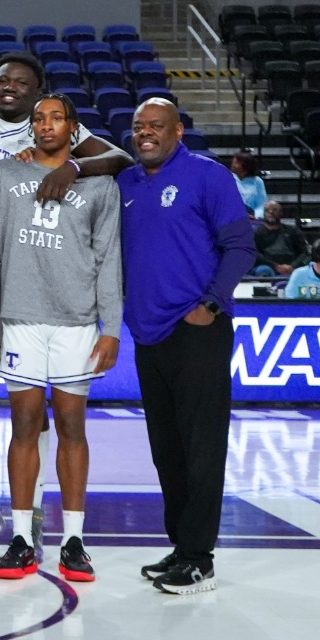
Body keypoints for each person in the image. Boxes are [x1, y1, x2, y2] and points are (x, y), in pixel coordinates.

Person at [0, 93, 122, 585]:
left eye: (57, 117)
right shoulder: (4, 176)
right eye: (39, 118)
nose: (46, 124)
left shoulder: (100, 186)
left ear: (73, 127)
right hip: (21, 320)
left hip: (77, 321)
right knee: (24, 425)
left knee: (73, 427)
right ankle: (21, 536)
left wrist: (110, 327)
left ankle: (74, 541)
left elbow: (107, 260)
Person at [118, 98, 256, 597]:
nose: (146, 134)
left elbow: (242, 245)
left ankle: (200, 558)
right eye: (138, 128)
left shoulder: (207, 175)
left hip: (197, 331)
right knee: (167, 450)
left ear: (178, 130)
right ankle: (182, 547)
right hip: (148, 334)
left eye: (156, 126)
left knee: (201, 448)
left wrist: (212, 305)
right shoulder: (128, 183)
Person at [250, 199, 309, 277]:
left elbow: (305, 252)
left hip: (291, 267)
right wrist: (275, 266)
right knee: (263, 271)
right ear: (264, 214)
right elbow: (255, 254)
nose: (271, 212)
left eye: (274, 210)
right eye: (267, 210)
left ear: (281, 213)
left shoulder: (293, 231)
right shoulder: (255, 233)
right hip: (267, 267)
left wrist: (292, 266)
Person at [229, 150, 267, 218]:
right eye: (233, 162)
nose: (233, 165)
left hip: (252, 218)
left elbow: (261, 205)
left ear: (246, 167)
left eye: (236, 163)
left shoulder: (258, 181)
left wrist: (255, 216)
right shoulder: (227, 178)